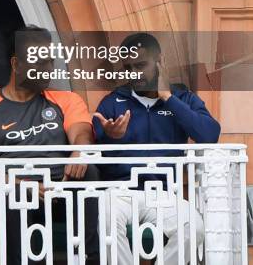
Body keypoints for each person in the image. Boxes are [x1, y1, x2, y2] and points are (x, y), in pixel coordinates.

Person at [0, 25, 100, 264]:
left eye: (50, 61)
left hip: (62, 186)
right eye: (39, 62)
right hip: (15, 188)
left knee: (89, 171)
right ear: (16, 64)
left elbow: (81, 131)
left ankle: (89, 259)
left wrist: (80, 152)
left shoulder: (66, 99)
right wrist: (23, 185)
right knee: (12, 193)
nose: (48, 69)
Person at [93, 32, 221, 265]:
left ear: (160, 62)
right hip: (119, 192)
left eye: (141, 65)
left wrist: (167, 97)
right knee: (106, 221)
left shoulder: (183, 98)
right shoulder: (112, 102)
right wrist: (112, 137)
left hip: (163, 193)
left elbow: (209, 135)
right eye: (128, 67)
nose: (134, 74)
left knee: (193, 227)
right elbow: (96, 150)